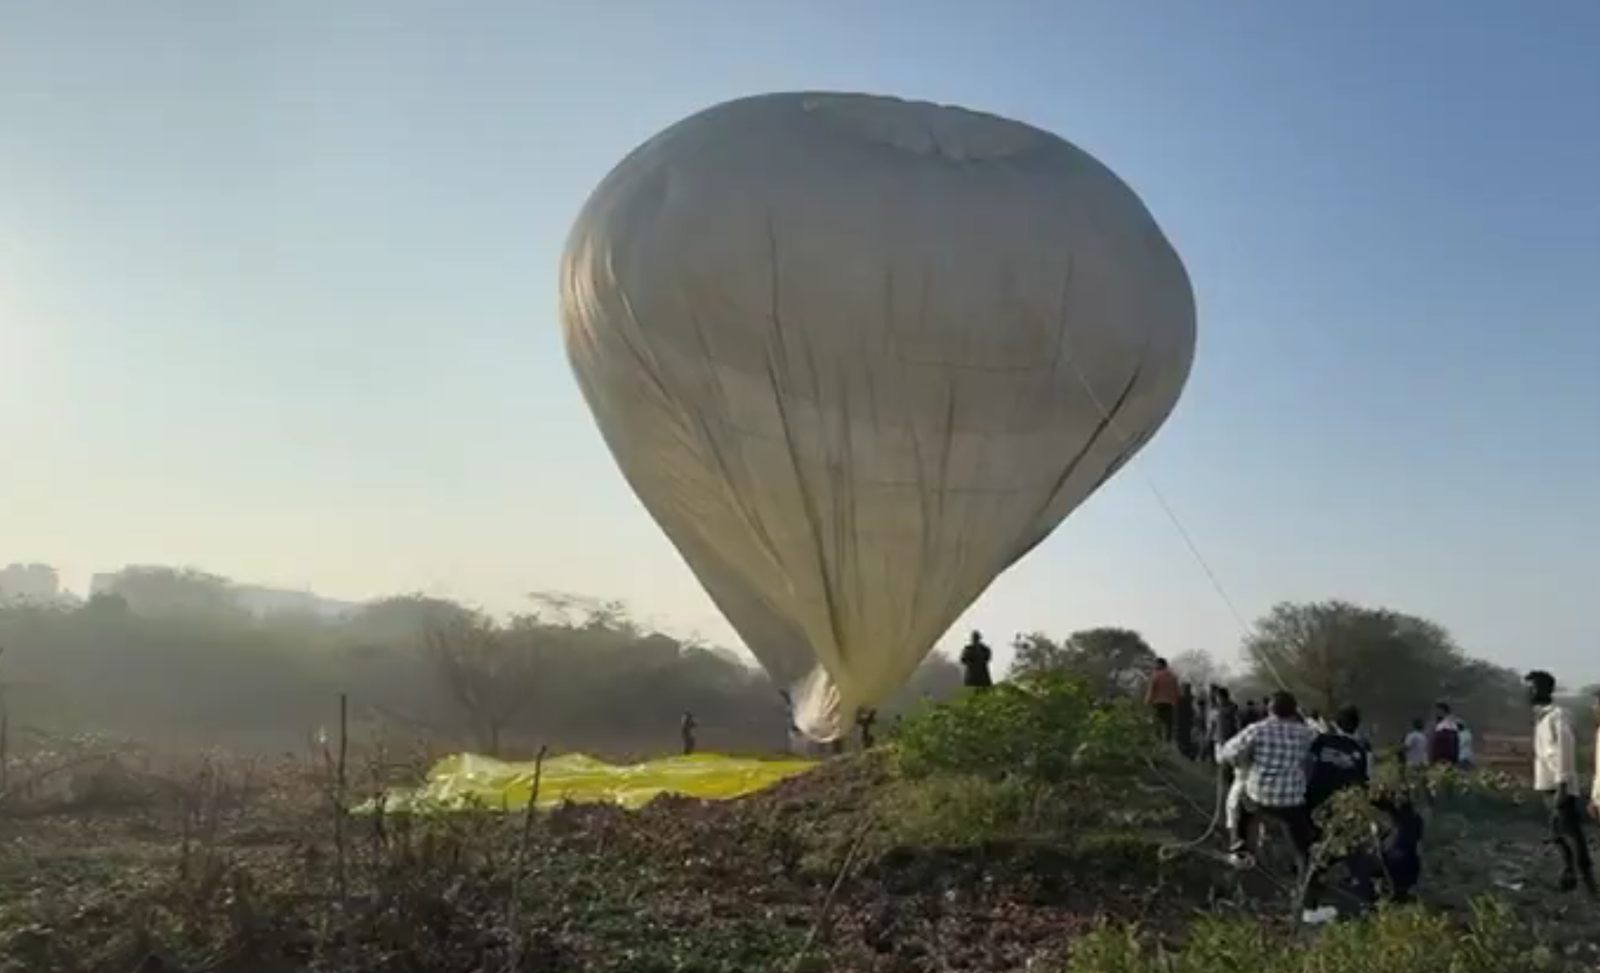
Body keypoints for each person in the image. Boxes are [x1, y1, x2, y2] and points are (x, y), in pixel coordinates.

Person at [1218, 690, 1333, 924]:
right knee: (1305, 852)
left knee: (1240, 803)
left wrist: (1243, 760)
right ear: (1294, 711)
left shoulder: (1257, 729)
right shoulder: (1305, 733)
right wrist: (1307, 719)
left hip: (1260, 796)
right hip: (1291, 801)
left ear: (1269, 708)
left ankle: (1238, 847)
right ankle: (1311, 907)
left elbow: (1226, 754)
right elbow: (1324, 736)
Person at [1525, 670, 1596, 895]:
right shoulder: (1541, 717)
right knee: (1558, 833)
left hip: (1559, 785)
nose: (1530, 690)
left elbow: (1565, 750)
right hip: (1548, 784)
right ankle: (1570, 874)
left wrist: (1563, 785)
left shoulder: (1558, 715)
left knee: (1571, 834)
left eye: (1534, 686)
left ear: (1547, 690)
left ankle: (1588, 882)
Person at [1306, 705, 1373, 813]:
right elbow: (1365, 780)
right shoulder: (1363, 750)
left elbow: (1306, 765)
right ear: (1357, 725)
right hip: (1344, 808)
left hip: (1314, 802)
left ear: (1336, 723)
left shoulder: (1322, 741)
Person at [1145, 658, 1181, 744]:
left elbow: (1151, 690)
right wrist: (1176, 701)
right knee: (1169, 725)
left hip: (1158, 703)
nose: (1155, 666)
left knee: (1157, 724)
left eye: (1156, 664)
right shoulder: (1173, 676)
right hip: (1170, 704)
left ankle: (1158, 741)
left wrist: (1147, 701)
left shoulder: (1156, 675)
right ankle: (1168, 742)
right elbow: (1177, 692)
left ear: (1160, 664)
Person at [1429, 702, 1462, 766]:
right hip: (1442, 758)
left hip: (1444, 758)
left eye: (1437, 711)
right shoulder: (1441, 725)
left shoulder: (1448, 725)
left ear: (1442, 711)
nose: (1435, 714)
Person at [1176, 683, 1197, 759]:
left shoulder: (1181, 699)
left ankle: (1187, 752)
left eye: (1185, 689)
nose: (1185, 691)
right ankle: (1188, 752)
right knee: (1184, 738)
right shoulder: (1188, 698)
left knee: (1184, 739)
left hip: (1185, 722)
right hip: (1185, 722)